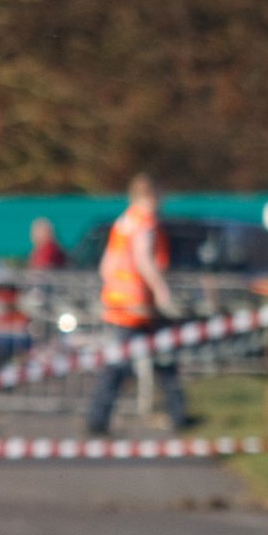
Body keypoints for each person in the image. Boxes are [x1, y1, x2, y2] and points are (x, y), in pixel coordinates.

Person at [84, 174, 192, 434]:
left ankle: (98, 419)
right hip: (142, 305)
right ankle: (177, 415)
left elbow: (106, 265)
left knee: (124, 363)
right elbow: (145, 261)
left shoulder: (123, 222)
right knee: (160, 359)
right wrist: (162, 292)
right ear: (152, 196)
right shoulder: (145, 224)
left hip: (120, 304)